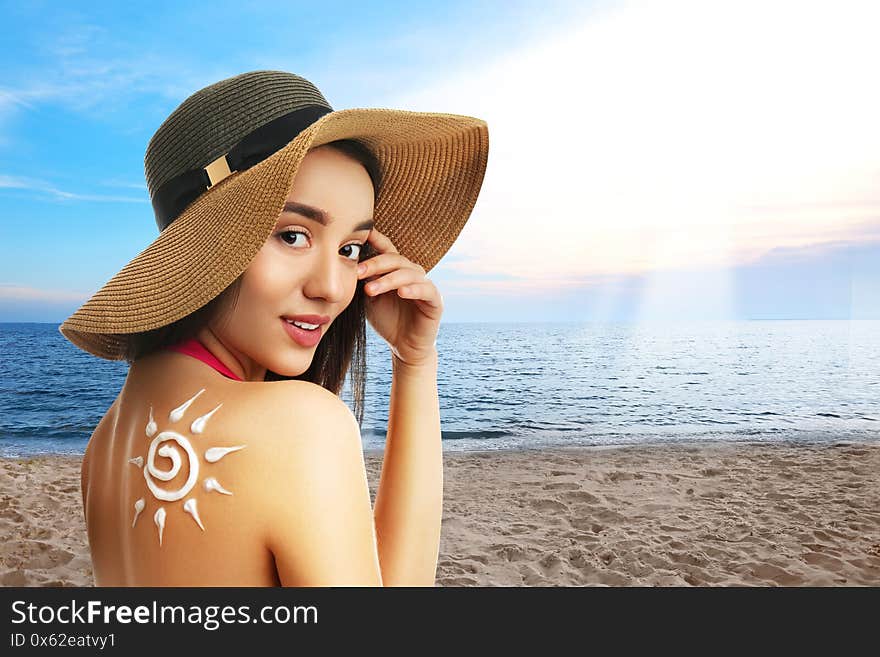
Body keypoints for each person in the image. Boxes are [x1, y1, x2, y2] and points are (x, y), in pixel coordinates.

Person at [59, 70, 489, 586]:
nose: (332, 287)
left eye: (351, 249)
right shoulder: (299, 425)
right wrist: (417, 369)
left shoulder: (105, 445)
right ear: (202, 243)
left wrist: (413, 359)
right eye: (292, 235)